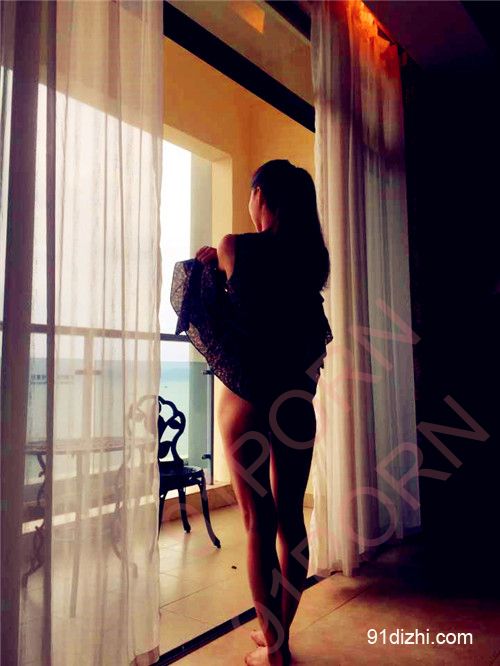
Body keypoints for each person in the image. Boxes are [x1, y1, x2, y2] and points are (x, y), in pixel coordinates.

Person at [171, 159, 332, 666]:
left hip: (246, 402)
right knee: (291, 521)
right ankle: (280, 634)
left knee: (257, 522)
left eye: (251, 192)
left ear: (261, 195)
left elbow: (214, 318)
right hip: (295, 404)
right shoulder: (312, 262)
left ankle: (275, 648)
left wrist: (207, 267)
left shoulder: (235, 246)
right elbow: (307, 339)